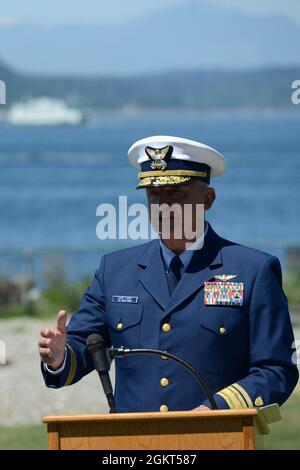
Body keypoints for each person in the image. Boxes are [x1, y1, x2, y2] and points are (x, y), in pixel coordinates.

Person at [39, 135, 298, 413]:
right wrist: (59, 356)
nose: (163, 206)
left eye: (176, 193)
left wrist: (217, 408)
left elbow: (276, 369)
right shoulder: (114, 271)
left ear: (207, 199)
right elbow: (83, 345)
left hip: (218, 438)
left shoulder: (252, 271)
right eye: (154, 195)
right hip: (134, 449)